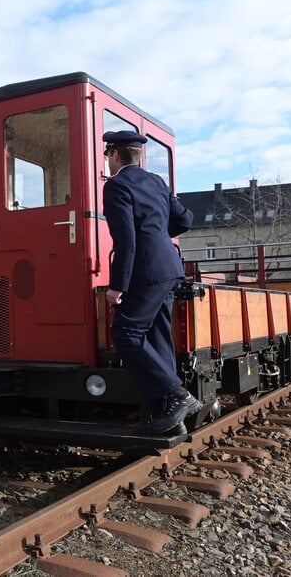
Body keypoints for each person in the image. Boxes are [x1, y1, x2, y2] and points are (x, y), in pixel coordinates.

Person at [101, 130, 200, 434]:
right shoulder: (157, 182)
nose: (107, 161)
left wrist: (117, 285)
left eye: (108, 155)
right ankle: (167, 414)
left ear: (115, 155)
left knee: (126, 333)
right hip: (170, 267)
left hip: (145, 270)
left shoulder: (117, 186)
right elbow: (185, 220)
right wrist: (156, 231)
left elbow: (126, 240)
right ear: (138, 155)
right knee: (158, 338)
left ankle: (178, 395)